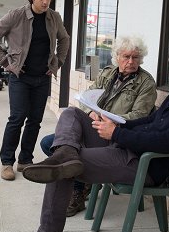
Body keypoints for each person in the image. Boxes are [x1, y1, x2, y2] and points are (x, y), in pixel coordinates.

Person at [10, 44, 169, 232]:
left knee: (59, 167)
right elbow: (149, 123)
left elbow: (166, 142)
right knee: (71, 114)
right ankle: (65, 152)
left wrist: (117, 133)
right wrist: (117, 125)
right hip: (128, 147)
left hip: (142, 163)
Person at [40, 36, 157, 217]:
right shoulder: (107, 73)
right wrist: (89, 112)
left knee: (64, 148)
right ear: (117, 56)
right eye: (126, 57)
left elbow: (139, 115)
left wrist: (111, 120)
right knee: (52, 140)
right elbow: (87, 97)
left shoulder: (146, 83)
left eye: (135, 57)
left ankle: (78, 189)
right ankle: (82, 182)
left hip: (117, 136)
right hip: (96, 126)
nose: (131, 62)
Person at [0, 0, 70, 181]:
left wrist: (57, 63)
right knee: (17, 118)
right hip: (20, 77)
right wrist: (5, 62)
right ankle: (7, 162)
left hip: (42, 77)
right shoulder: (17, 15)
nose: (45, 2)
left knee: (35, 120)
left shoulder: (53, 17)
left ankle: (25, 160)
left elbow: (64, 39)